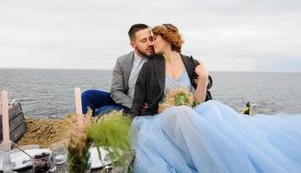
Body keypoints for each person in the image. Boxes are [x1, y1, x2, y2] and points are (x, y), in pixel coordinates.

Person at [130, 24, 301, 173]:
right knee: (182, 112)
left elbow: (201, 97)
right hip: (162, 118)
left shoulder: (191, 63)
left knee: (212, 108)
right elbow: (138, 99)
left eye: (155, 38)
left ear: (167, 38)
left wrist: (204, 78)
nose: (152, 42)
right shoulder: (150, 66)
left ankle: (226, 159)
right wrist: (131, 120)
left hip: (191, 112)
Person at [81, 23, 154, 116]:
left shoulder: (157, 59)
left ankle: (95, 122)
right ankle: (84, 125)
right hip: (127, 101)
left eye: (151, 39)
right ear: (133, 45)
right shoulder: (122, 61)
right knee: (87, 95)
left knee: (103, 111)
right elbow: (116, 90)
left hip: (143, 106)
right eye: (144, 41)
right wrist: (133, 105)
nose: (150, 43)